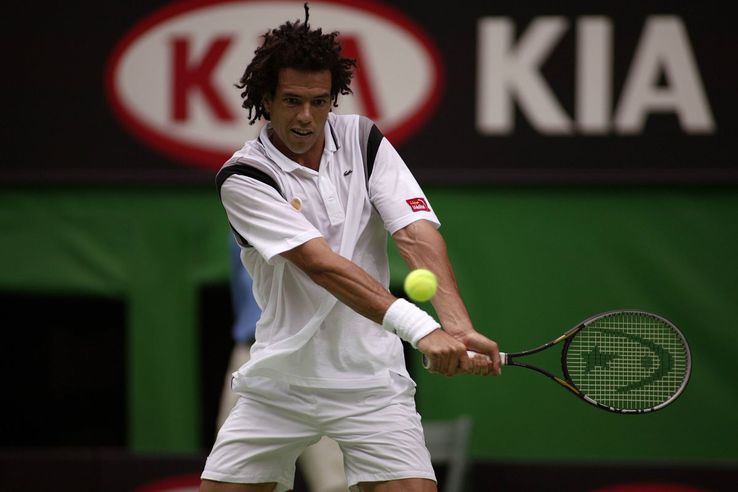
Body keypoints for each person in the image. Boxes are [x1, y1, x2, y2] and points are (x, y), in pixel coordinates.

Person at [201, 5, 502, 492]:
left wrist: (457, 324)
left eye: (319, 102)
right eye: (292, 101)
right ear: (265, 100)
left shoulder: (364, 139)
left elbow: (414, 231)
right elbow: (322, 266)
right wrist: (422, 329)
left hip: (370, 379)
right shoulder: (244, 177)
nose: (306, 117)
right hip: (280, 383)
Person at [217, 234, 349, 492]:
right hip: (252, 353)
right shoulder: (243, 203)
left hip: (316, 353)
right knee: (233, 476)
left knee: (335, 481)